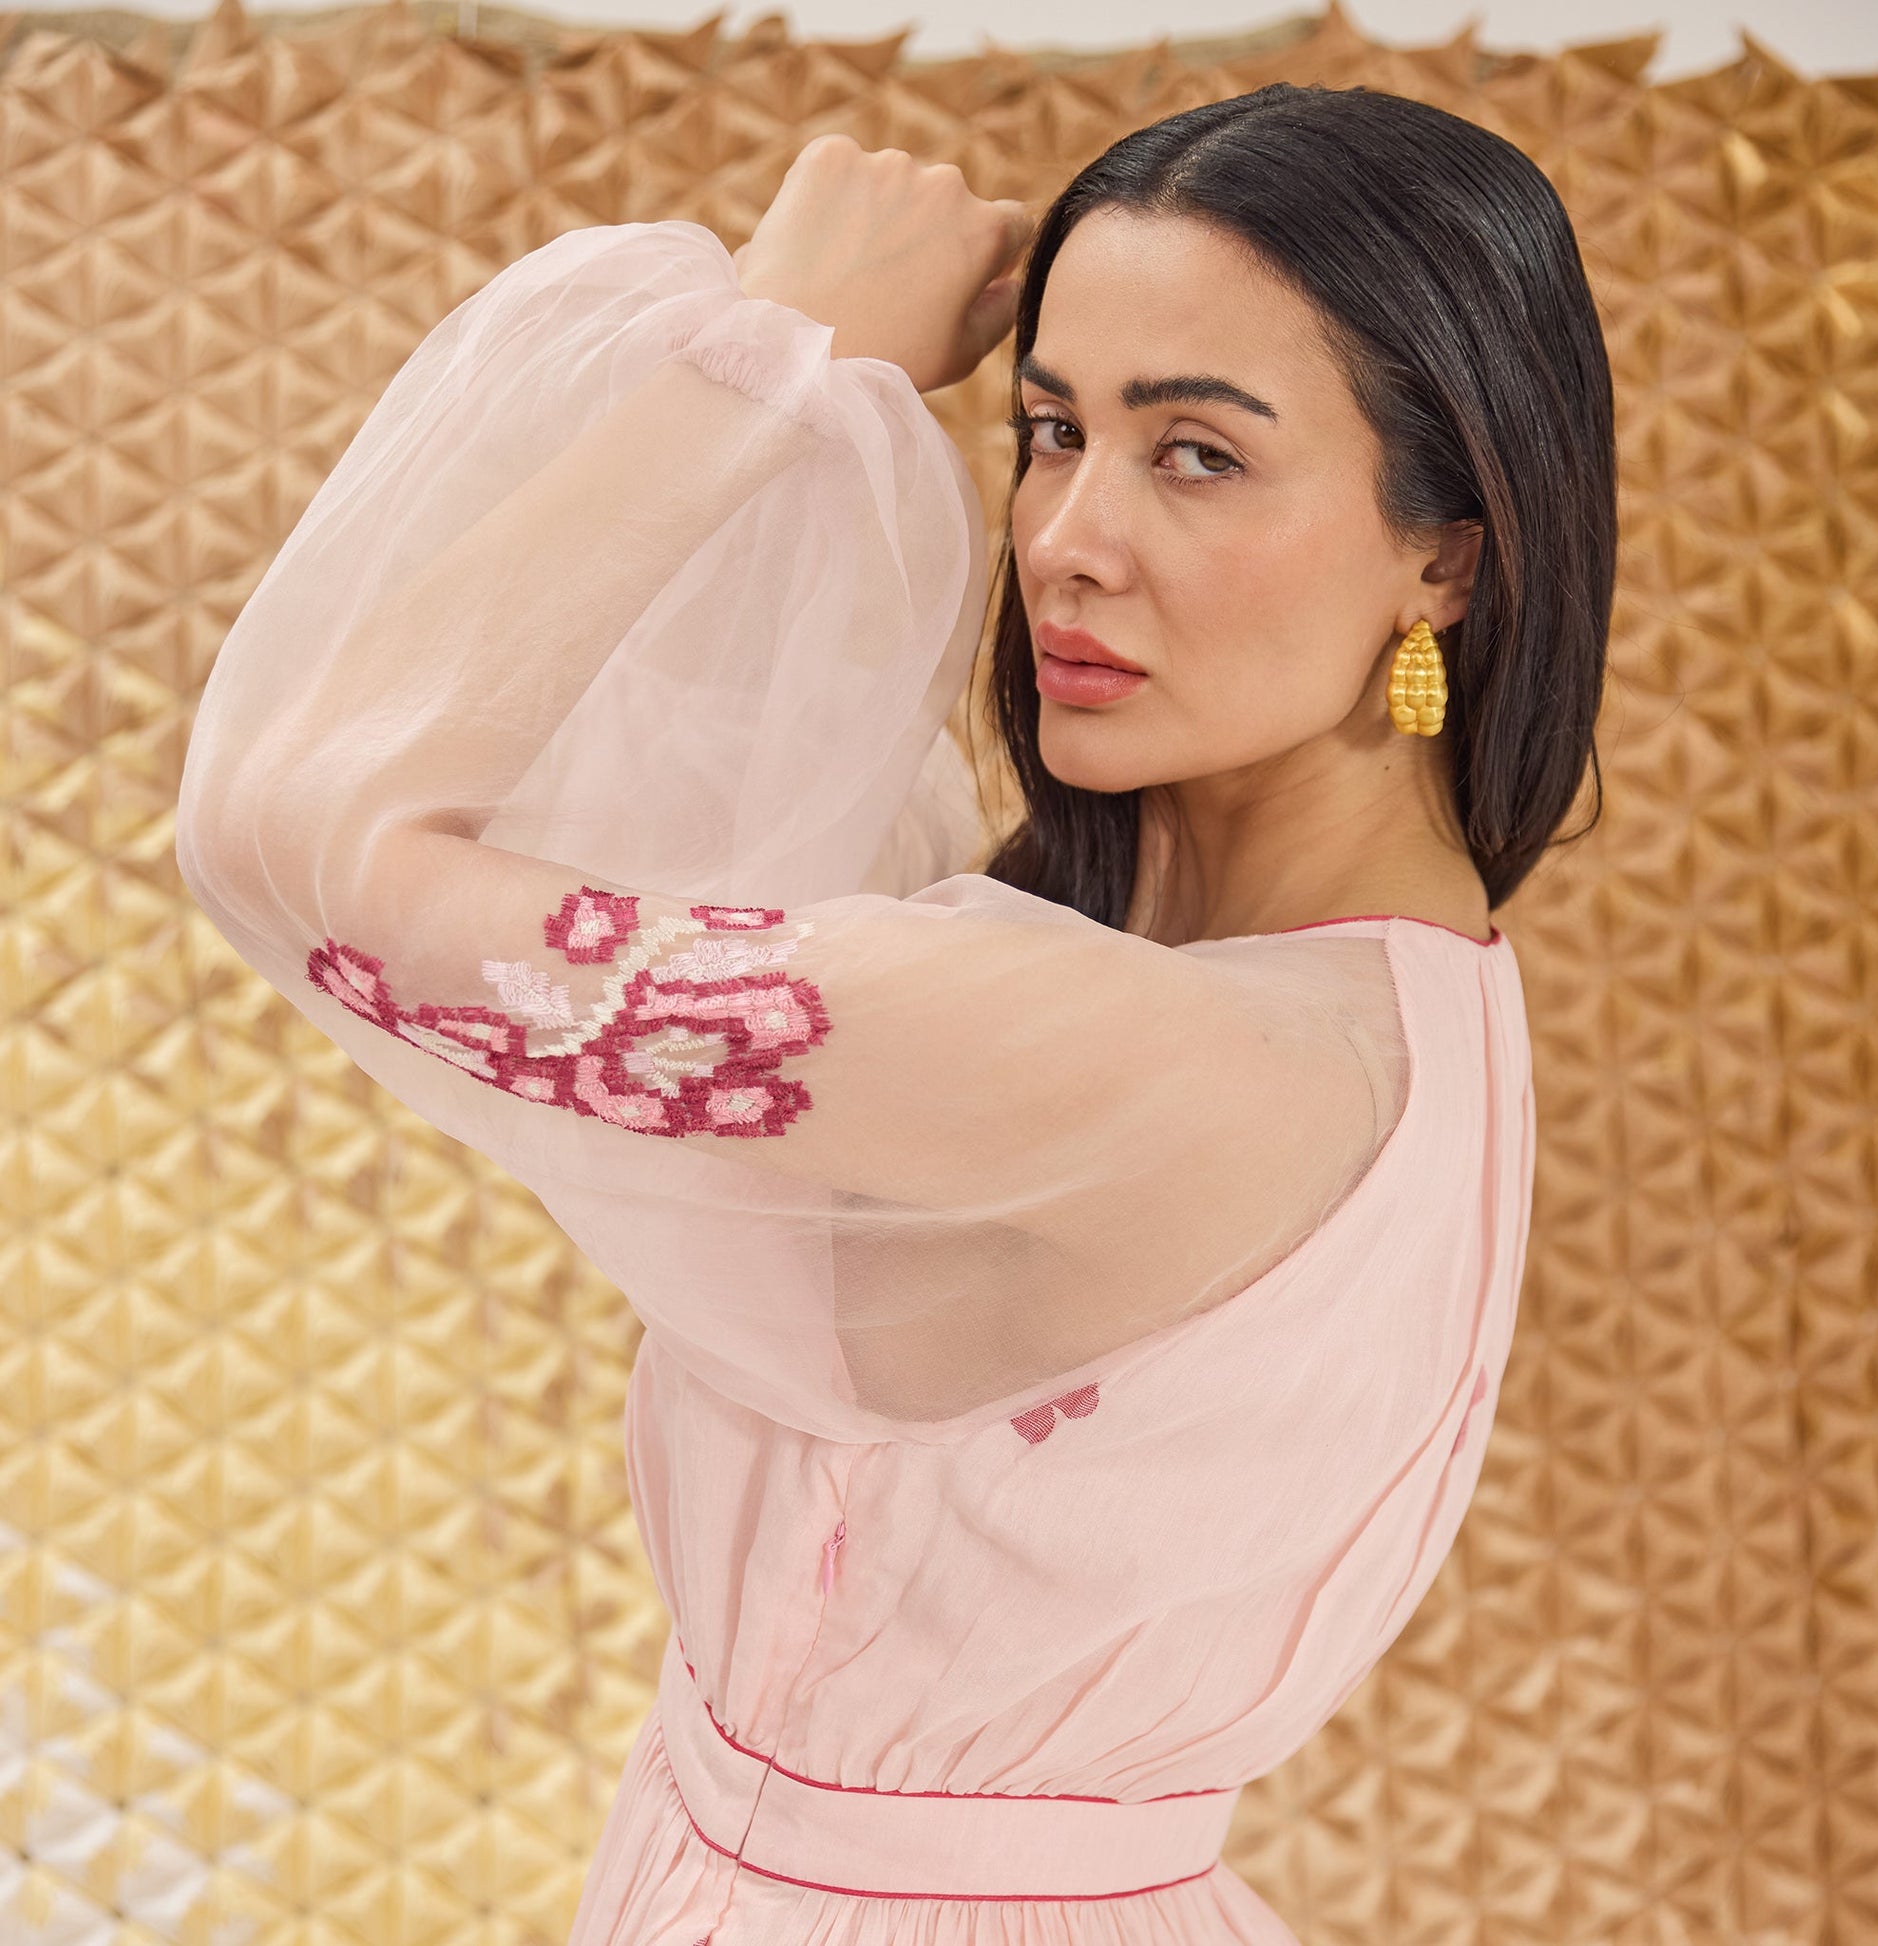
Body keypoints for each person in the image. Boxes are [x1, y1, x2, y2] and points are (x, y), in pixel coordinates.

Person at [175, 79, 1614, 1945]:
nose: (1068, 536)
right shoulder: (1388, 998)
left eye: (1195, 454)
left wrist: (766, 352)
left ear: (1448, 551)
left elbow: (284, 830)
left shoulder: (1140, 1054)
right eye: (1051, 429)